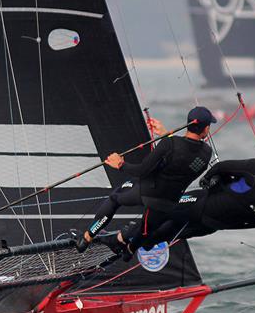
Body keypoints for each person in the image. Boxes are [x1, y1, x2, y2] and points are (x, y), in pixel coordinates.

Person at [75, 106, 215, 253]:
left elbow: (141, 171)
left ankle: (86, 238)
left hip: (148, 191)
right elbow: (184, 156)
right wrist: (166, 136)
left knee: (115, 199)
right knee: (144, 230)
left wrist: (121, 164)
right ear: (205, 129)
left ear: (188, 123)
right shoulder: (206, 153)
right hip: (168, 202)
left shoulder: (170, 144)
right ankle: (128, 251)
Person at [123, 145, 255, 255]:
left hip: (202, 204)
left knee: (161, 211)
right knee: (164, 234)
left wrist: (206, 181)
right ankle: (131, 249)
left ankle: (121, 239)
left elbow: (221, 166)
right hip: (212, 225)